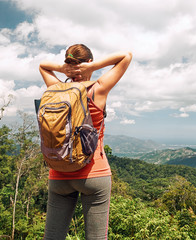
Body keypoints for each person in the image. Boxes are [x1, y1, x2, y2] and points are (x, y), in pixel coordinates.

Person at [39, 44, 132, 240]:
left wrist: (63, 69)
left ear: (68, 64)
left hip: (59, 173)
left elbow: (42, 66)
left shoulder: (55, 89)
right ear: (89, 63)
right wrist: (93, 67)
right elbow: (126, 56)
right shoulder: (97, 89)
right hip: (94, 174)